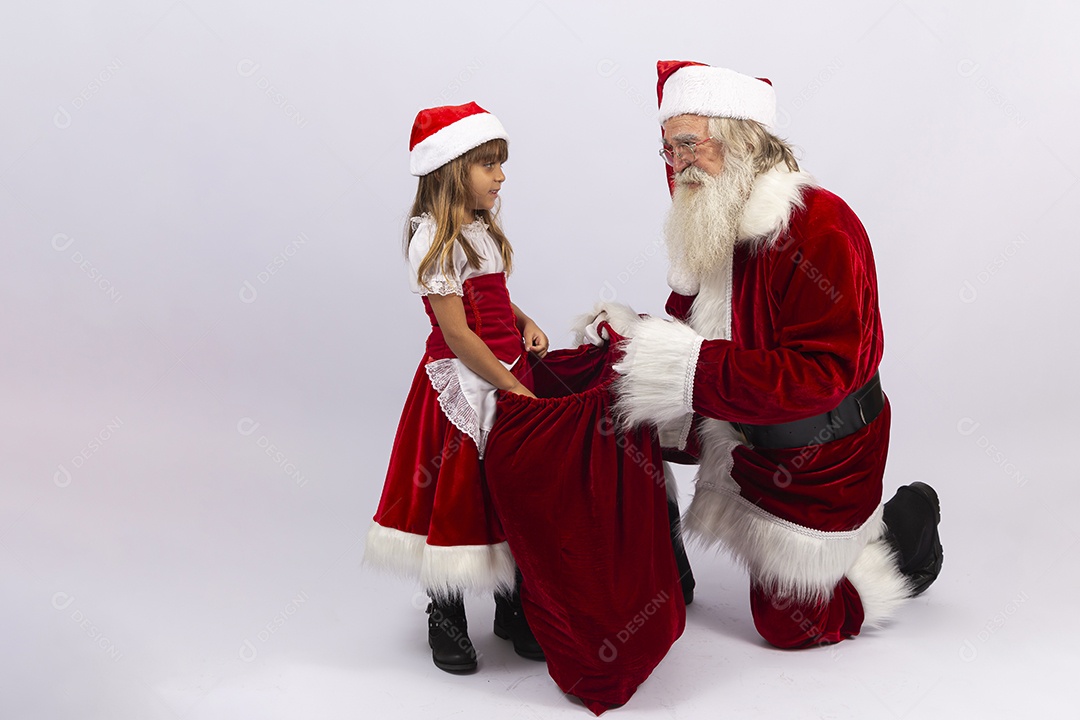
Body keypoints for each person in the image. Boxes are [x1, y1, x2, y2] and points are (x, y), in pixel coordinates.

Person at [588, 61, 943, 649]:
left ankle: (902, 540)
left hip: (820, 451)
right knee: (607, 404)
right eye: (666, 151)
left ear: (740, 137)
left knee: (791, 627)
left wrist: (676, 366)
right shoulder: (714, 223)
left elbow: (822, 376)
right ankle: (654, 557)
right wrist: (630, 343)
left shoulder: (819, 227)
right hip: (742, 424)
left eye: (686, 145)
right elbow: (687, 335)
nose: (676, 165)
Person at [364, 102, 548, 672]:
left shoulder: (480, 230)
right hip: (466, 384)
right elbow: (458, 332)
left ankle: (511, 606)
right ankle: (445, 616)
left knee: (508, 489)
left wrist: (523, 321)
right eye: (489, 165)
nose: (501, 177)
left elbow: (489, 296)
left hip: (507, 369)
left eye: (501, 165)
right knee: (457, 492)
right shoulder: (432, 238)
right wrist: (511, 385)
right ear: (451, 169)